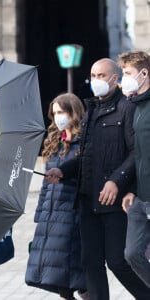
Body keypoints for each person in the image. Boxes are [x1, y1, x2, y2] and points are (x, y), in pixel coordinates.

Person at [45, 58, 150, 299]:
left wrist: (116, 180)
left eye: (102, 76)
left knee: (118, 261)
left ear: (115, 78)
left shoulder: (128, 107)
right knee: (91, 263)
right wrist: (63, 171)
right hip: (88, 200)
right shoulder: (90, 110)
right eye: (93, 76)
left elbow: (137, 152)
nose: (96, 81)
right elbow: (85, 155)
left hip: (114, 202)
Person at [25, 93, 89, 300]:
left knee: (74, 272)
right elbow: (45, 184)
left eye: (61, 112)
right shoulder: (55, 142)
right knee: (58, 274)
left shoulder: (85, 142)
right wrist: (40, 214)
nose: (58, 117)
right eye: (55, 113)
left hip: (72, 213)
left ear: (73, 113)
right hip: (51, 215)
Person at [118, 50, 150, 287]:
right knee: (132, 253)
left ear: (144, 73)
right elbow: (138, 155)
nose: (123, 78)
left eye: (127, 73)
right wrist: (132, 190)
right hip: (140, 197)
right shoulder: (136, 107)